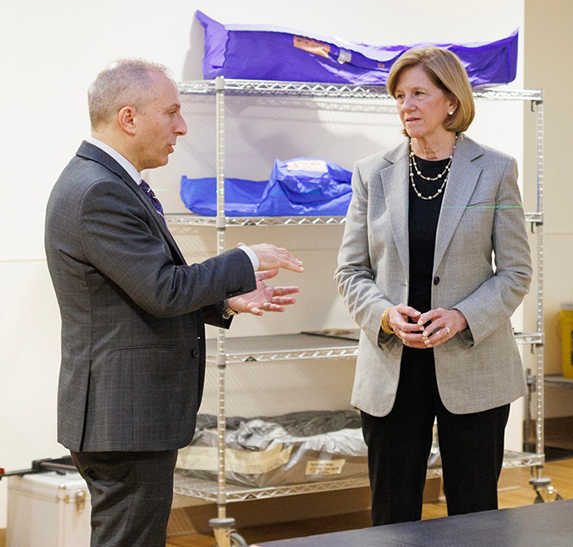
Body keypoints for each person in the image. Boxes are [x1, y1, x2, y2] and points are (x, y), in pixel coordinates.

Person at [44, 59, 305, 547]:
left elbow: (135, 291)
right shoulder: (99, 190)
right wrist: (246, 257)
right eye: (172, 113)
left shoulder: (105, 182)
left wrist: (224, 304)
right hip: (124, 418)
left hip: (124, 416)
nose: (181, 128)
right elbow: (163, 290)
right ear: (129, 118)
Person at [335, 46, 532, 524]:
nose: (407, 105)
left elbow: (516, 271)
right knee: (392, 513)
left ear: (451, 101)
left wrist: (463, 315)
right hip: (393, 366)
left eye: (419, 93)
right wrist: (384, 313)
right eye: (399, 95)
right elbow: (350, 270)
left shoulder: (495, 170)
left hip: (472, 359)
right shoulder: (372, 173)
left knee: (475, 512)